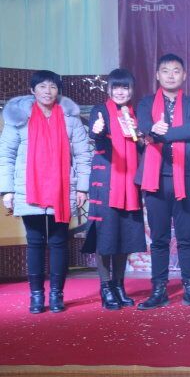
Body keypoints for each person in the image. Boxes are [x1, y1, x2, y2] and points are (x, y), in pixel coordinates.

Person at [0, 70, 91, 313]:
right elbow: (5, 156)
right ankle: (37, 296)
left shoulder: (70, 118)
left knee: (59, 242)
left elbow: (83, 155)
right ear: (32, 90)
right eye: (42, 86)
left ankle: (57, 294)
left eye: (52, 86)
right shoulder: (19, 118)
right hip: (28, 188)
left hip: (63, 188)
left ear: (58, 90)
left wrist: (83, 187)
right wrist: (6, 190)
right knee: (35, 242)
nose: (47, 91)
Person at [135, 54, 190, 309]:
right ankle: (159, 290)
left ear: (184, 75)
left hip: (185, 178)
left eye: (176, 71)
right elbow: (145, 127)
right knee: (159, 239)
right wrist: (154, 132)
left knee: (186, 238)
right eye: (165, 71)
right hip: (155, 179)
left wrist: (159, 135)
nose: (170, 75)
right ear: (157, 75)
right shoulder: (145, 103)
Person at [84, 68, 146, 310]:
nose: (120, 92)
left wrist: (140, 137)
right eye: (116, 87)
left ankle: (119, 285)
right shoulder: (100, 110)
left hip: (130, 181)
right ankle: (106, 286)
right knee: (106, 233)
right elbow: (95, 134)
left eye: (125, 87)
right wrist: (98, 129)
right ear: (109, 89)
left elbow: (141, 147)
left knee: (125, 234)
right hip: (107, 180)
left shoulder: (135, 114)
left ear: (131, 90)